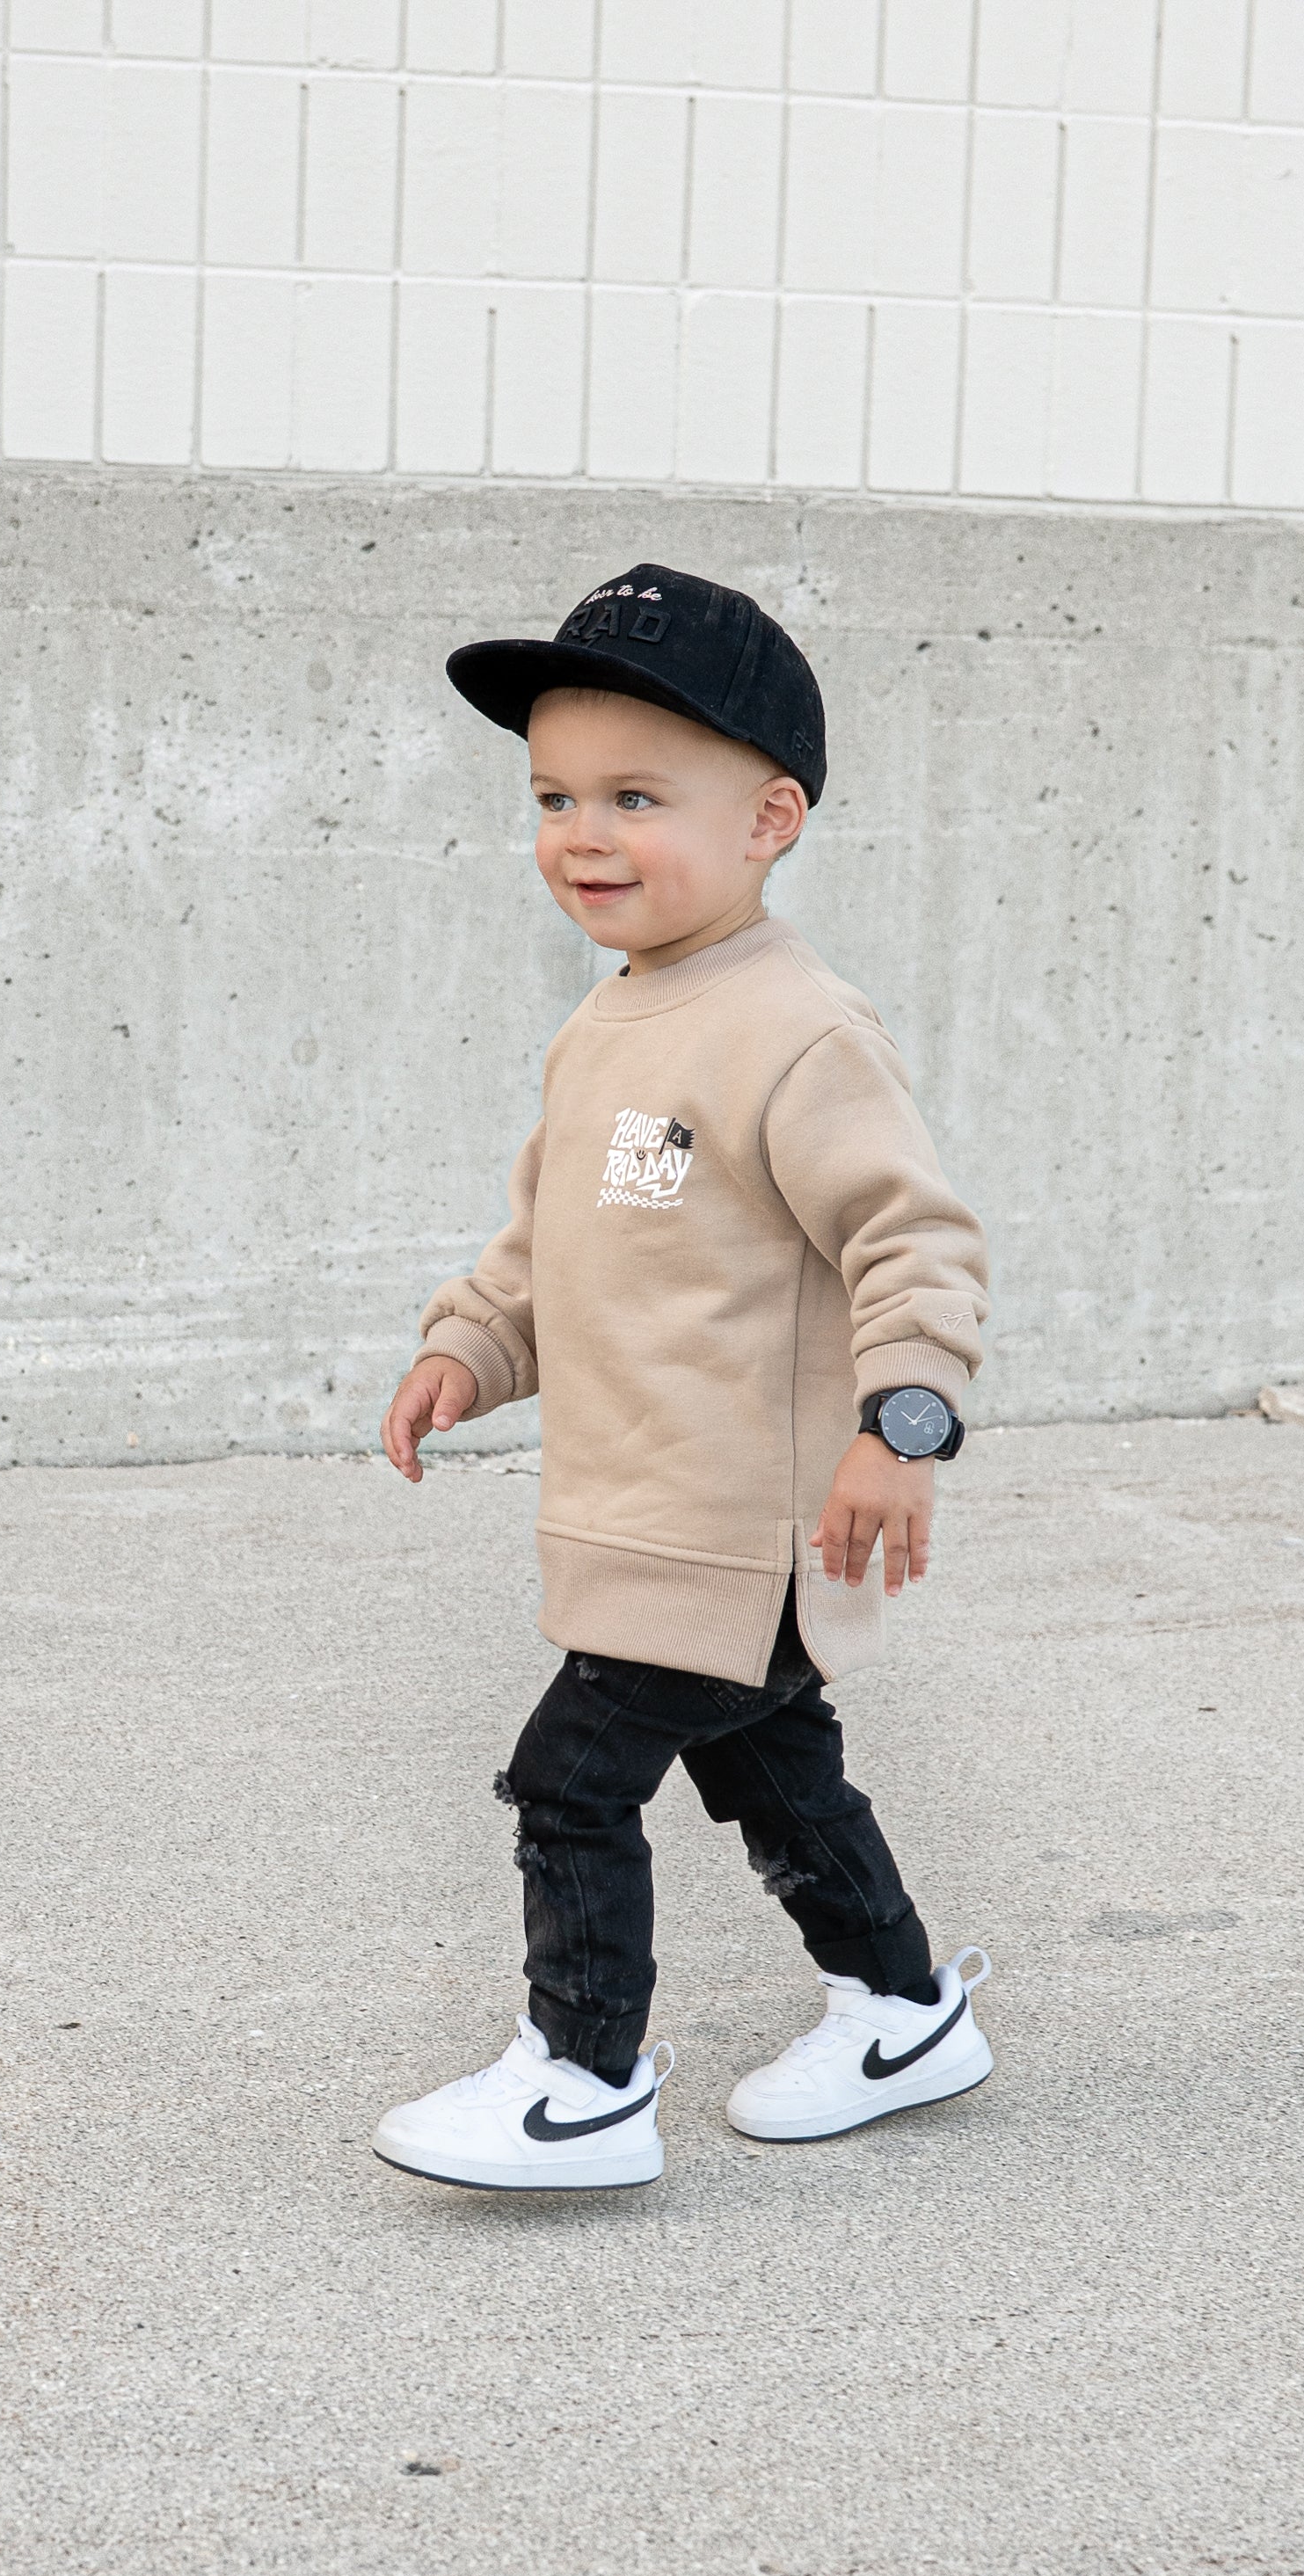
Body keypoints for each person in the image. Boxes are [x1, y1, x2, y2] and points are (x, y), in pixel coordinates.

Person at [371, 564, 994, 2193]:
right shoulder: (612, 1024)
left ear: (770, 818)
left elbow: (912, 1242)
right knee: (776, 1768)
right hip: (642, 1510)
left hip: (736, 1525)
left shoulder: (797, 1032)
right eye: (555, 795)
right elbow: (547, 1244)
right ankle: (907, 2007)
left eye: (637, 797)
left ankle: (582, 2080)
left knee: (570, 1783)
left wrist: (901, 1429)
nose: (583, 834)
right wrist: (467, 1346)